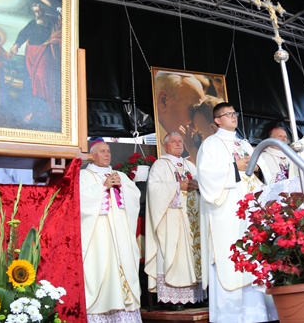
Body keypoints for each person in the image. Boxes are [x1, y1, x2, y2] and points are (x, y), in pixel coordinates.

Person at [197, 102, 277, 323]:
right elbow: (206, 177)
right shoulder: (210, 145)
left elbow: (264, 170)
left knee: (255, 257)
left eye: (234, 113)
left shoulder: (244, 144)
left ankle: (260, 314)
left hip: (251, 213)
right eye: (228, 114)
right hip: (227, 215)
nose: (234, 116)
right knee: (232, 260)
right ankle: (230, 316)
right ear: (217, 120)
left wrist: (258, 168)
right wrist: (234, 167)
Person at [80, 139, 142, 322]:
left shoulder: (120, 175)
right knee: (100, 267)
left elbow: (135, 196)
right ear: (92, 155)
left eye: (108, 151)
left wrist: (122, 189)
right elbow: (81, 200)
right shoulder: (84, 176)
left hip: (121, 232)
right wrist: (103, 187)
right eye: (102, 151)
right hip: (99, 233)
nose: (107, 154)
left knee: (124, 265)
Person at [145, 132, 205, 310]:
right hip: (172, 218)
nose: (178, 144)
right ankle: (173, 299)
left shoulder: (189, 165)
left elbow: (202, 185)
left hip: (192, 218)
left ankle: (195, 296)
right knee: (174, 254)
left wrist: (198, 186)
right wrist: (179, 186)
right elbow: (154, 189)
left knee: (193, 256)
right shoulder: (160, 164)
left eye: (180, 141)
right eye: (173, 141)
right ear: (165, 146)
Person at [10, 3, 61, 122]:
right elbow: (23, 33)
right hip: (31, 53)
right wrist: (16, 45)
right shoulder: (33, 23)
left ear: (44, 10)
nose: (37, 14)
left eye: (39, 11)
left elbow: (61, 35)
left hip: (45, 52)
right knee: (30, 81)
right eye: (35, 12)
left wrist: (56, 41)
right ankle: (33, 110)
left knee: (41, 78)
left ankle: (41, 110)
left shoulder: (52, 22)